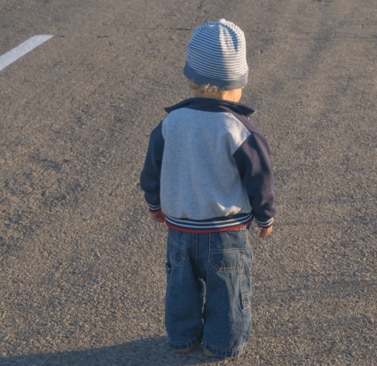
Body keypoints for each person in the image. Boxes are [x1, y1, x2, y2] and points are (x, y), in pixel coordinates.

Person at [139, 19, 276, 360]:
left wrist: (155, 203)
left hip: (181, 229)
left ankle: (183, 338)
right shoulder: (240, 129)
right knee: (227, 291)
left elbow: (152, 169)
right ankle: (223, 344)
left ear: (191, 78)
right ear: (238, 83)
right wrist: (265, 216)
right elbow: (259, 179)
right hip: (226, 233)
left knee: (181, 289)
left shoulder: (171, 123)